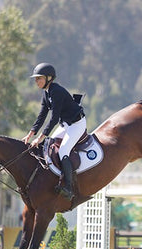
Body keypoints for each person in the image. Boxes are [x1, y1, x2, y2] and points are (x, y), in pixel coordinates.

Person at [22, 63, 86, 201]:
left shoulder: (56, 91)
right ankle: (56, 178)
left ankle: (69, 188)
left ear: (49, 78)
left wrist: (40, 137)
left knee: (63, 151)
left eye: (39, 78)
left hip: (76, 124)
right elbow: (42, 116)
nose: (36, 81)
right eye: (35, 79)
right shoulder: (46, 93)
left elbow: (54, 118)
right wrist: (30, 133)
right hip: (66, 124)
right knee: (49, 145)